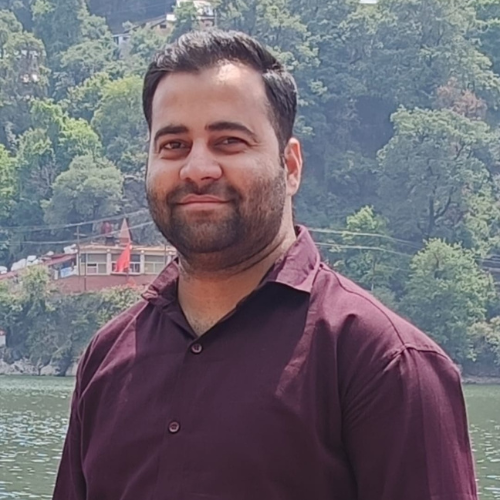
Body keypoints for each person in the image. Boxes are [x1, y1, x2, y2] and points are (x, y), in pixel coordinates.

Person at [53, 29, 478, 500]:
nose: (197, 168)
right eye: (173, 145)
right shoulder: (107, 359)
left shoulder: (384, 363)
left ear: (290, 166)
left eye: (229, 141)